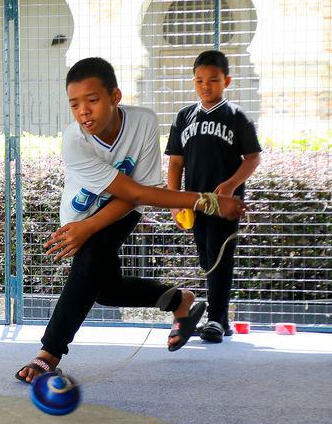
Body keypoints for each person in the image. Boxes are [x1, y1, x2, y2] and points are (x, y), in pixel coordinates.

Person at [16, 57, 245, 384]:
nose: (83, 111)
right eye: (75, 104)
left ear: (115, 96)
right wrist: (208, 201)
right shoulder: (74, 140)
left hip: (122, 211)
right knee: (107, 291)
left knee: (91, 260)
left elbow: (139, 193)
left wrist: (206, 202)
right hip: (79, 218)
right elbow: (135, 191)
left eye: (92, 100)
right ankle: (180, 300)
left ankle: (48, 353)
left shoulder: (143, 122)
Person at [165, 50, 261, 343]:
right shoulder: (184, 117)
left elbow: (253, 158)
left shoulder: (236, 116)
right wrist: (174, 200)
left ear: (227, 81)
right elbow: (175, 162)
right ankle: (221, 320)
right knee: (207, 258)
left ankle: (217, 319)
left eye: (213, 80)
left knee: (220, 258)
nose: (205, 86)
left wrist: (231, 185)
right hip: (195, 203)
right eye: (199, 80)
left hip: (224, 205)